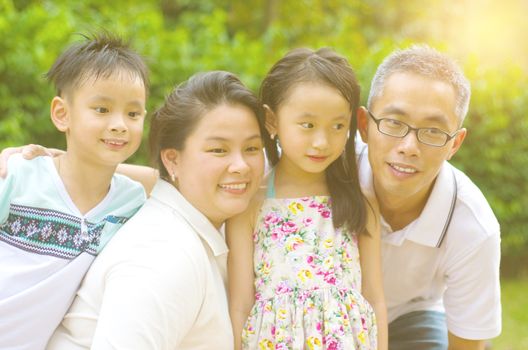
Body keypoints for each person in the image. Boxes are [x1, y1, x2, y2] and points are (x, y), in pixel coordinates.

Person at [45, 70, 266, 349]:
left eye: (252, 148)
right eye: (218, 150)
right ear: (172, 160)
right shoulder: (165, 252)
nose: (241, 166)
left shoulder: (199, 228)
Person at [227, 48, 387, 350]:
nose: (322, 141)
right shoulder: (250, 204)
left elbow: (375, 297)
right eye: (308, 125)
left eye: (338, 126)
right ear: (272, 121)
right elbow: (240, 304)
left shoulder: (361, 202)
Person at [0, 33, 149, 350]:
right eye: (102, 109)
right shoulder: (18, 176)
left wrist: (61, 152)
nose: (120, 124)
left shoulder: (131, 201)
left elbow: (166, 178)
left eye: (133, 114)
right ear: (61, 113)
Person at [356, 45, 501, 349]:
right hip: (324, 307)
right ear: (365, 125)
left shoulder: (474, 228)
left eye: (433, 131)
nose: (409, 146)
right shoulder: (324, 166)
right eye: (394, 123)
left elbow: (467, 343)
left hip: (409, 318)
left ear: (455, 144)